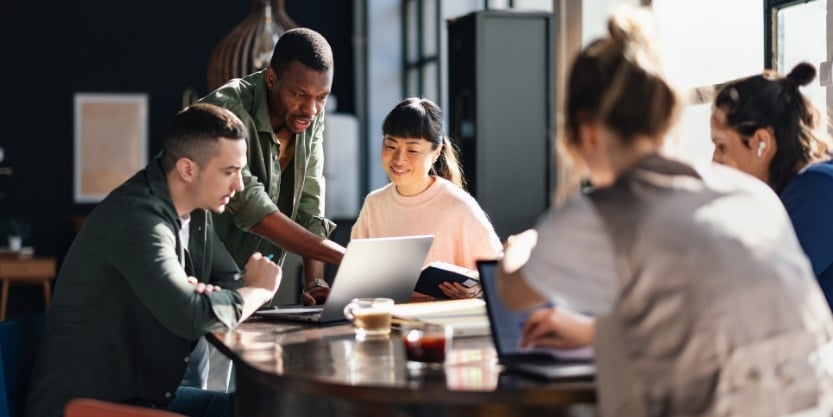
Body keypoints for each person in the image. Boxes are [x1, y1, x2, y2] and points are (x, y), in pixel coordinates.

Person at [495, 6, 833, 417]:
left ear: (585, 131)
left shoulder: (602, 213)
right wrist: (594, 333)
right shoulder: (751, 196)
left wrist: (522, 245)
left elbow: (512, 293)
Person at [25, 104, 282, 417]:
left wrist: (210, 298)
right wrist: (260, 290)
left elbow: (227, 277)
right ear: (188, 169)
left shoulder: (196, 213)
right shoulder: (137, 219)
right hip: (90, 406)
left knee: (263, 408)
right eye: (229, 171)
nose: (239, 185)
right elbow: (191, 317)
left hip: (145, 395)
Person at [199, 27, 344, 306]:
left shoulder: (310, 117)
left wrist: (315, 282)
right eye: (300, 94)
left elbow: (310, 202)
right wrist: (345, 258)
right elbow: (252, 206)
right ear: (271, 78)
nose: (311, 109)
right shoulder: (225, 109)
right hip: (197, 280)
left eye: (321, 97)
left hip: (253, 293)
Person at [351, 97, 502, 299]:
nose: (399, 158)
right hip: (387, 321)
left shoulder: (458, 206)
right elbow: (354, 276)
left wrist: (477, 290)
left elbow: (498, 275)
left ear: (436, 152)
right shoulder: (374, 204)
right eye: (390, 145)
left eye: (412, 149)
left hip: (442, 323)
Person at [710, 62, 833, 307]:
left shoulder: (819, 188)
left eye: (722, 145)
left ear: (761, 143)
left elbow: (753, 297)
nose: (714, 161)